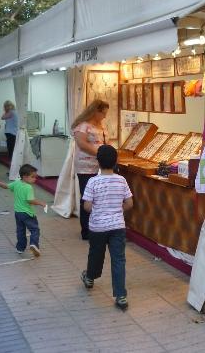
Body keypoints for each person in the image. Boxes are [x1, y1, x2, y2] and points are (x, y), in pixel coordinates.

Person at [80, 145, 133, 310]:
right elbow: (129, 203)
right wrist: (117, 212)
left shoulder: (93, 181)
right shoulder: (121, 180)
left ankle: (90, 277)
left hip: (98, 227)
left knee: (96, 254)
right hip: (118, 226)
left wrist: (99, 211)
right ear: (115, 160)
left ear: (98, 161)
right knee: (119, 260)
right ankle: (121, 296)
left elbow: (87, 206)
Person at [72, 99, 109, 240]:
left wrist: (108, 154)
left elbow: (105, 143)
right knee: (87, 197)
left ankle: (97, 226)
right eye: (103, 113)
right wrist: (100, 154)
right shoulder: (83, 126)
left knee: (98, 198)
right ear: (95, 112)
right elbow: (82, 144)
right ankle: (86, 230)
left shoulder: (102, 126)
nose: (105, 116)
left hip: (100, 166)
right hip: (86, 167)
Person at [0, 164, 46, 257]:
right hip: (28, 213)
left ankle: (20, 248)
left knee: (20, 230)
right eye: (33, 177)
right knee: (35, 229)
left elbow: (6, 186)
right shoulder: (28, 187)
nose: (35, 179)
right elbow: (30, 200)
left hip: (18, 213)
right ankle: (34, 244)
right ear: (25, 176)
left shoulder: (16, 183)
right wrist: (41, 203)